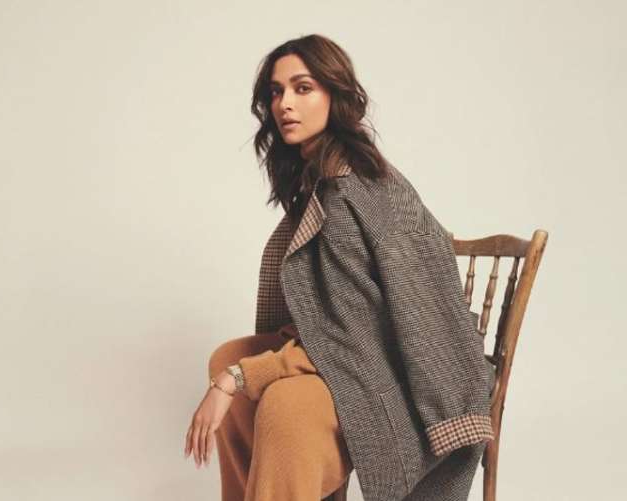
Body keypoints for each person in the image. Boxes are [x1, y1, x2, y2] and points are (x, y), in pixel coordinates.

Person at [185, 34, 495, 501]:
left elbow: (361, 336)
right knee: (227, 355)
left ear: (336, 94)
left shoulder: (359, 191)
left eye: (303, 88)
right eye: (276, 92)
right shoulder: (322, 182)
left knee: (282, 401)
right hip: (350, 359)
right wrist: (236, 370)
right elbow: (333, 323)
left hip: (394, 378)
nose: (285, 104)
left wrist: (242, 377)